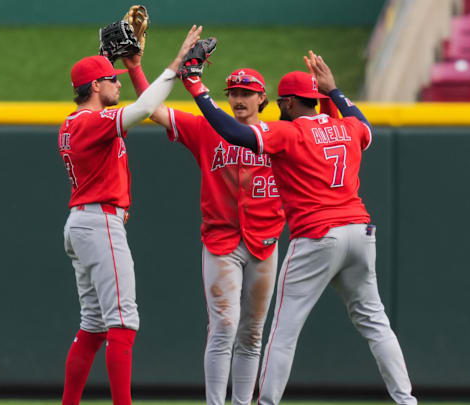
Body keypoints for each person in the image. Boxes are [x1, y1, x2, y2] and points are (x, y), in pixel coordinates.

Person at [180, 50, 418, 405]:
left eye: (281, 103)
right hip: (360, 231)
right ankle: (406, 400)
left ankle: (267, 402)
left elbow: (234, 132)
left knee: (282, 331)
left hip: (318, 236)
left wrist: (197, 88)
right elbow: (364, 124)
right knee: (376, 323)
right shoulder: (348, 127)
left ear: (289, 103)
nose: (279, 108)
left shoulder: (290, 134)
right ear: (320, 101)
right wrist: (335, 91)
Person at [58, 25, 202, 405]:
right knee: (123, 321)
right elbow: (142, 110)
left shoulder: (75, 123)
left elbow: (133, 106)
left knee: (93, 325)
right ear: (93, 87)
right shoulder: (89, 123)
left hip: (84, 222)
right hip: (98, 221)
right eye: (111, 80)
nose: (117, 84)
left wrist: (127, 63)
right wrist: (175, 64)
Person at [134, 67, 285, 405]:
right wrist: (135, 68)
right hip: (222, 244)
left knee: (252, 332)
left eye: (247, 93)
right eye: (233, 92)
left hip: (264, 242)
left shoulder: (279, 134)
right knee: (224, 327)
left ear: (263, 98)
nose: (239, 98)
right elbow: (151, 108)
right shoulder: (207, 129)